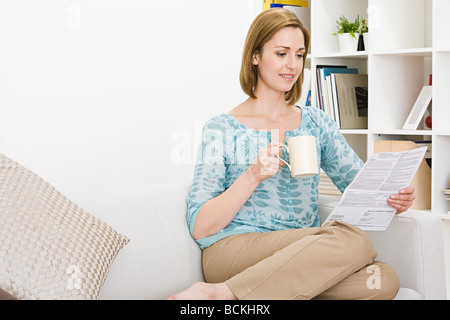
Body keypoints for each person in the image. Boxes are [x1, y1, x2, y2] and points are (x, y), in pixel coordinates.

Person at [167, 8, 415, 300]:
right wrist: (252, 175)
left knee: (383, 279)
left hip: (300, 252)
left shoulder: (316, 122)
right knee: (353, 239)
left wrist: (392, 199)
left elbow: (361, 188)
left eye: (299, 55)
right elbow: (201, 227)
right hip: (234, 249)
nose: (293, 65)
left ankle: (258, 293)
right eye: (282, 53)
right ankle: (223, 292)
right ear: (255, 56)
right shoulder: (221, 128)